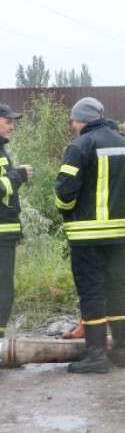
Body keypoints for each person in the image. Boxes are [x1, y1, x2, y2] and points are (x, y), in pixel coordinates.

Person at [55, 98, 125, 374]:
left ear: (82, 120)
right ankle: (121, 350)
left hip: (86, 234)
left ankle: (96, 356)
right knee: (117, 290)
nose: (72, 126)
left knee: (92, 293)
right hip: (119, 233)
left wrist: (65, 211)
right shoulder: (124, 144)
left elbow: (65, 192)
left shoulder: (80, 146)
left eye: (73, 121)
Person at [0, 104, 32, 338]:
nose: (12, 126)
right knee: (3, 290)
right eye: (8, 121)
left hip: (6, 232)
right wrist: (18, 175)